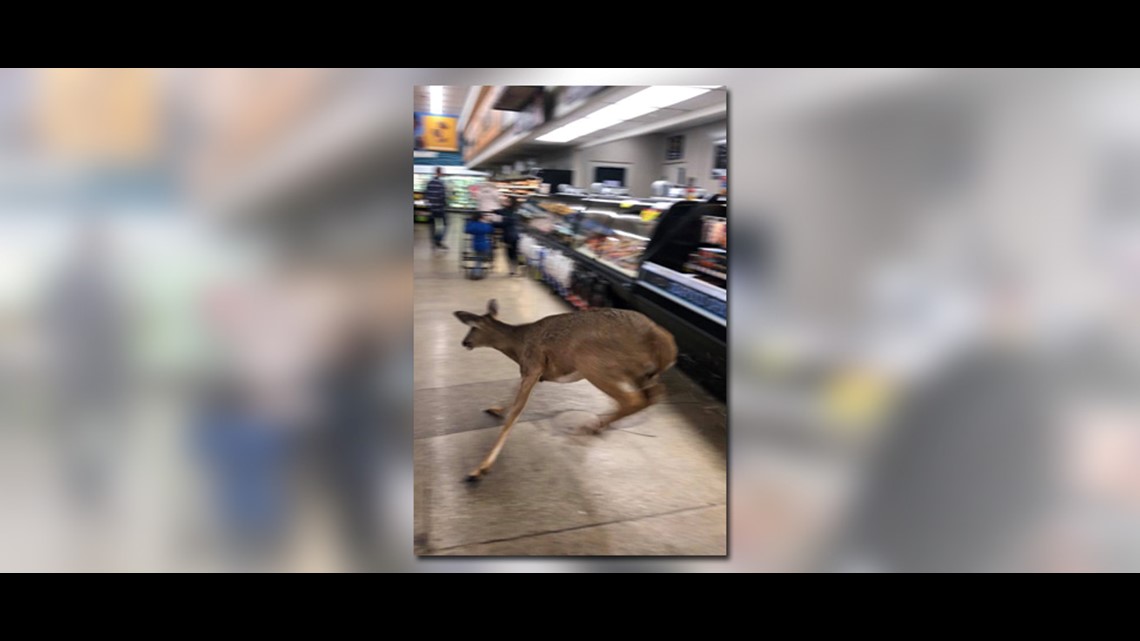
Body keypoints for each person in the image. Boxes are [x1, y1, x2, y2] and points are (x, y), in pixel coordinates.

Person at [495, 196, 521, 276]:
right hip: (516, 234)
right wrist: (492, 211)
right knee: (513, 252)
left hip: (510, 235)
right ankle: (513, 269)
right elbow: (500, 211)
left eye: (506, 201)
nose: (504, 202)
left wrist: (491, 223)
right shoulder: (514, 211)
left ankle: (513, 270)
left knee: (510, 253)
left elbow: (503, 224)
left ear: (510, 203)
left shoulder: (509, 213)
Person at [465, 211, 495, 279]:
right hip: (484, 245)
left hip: (475, 245)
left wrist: (469, 221)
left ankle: (476, 271)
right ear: (481, 217)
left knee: (478, 258)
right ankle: (476, 273)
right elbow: (491, 229)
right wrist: (488, 221)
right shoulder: (484, 225)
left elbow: (466, 229)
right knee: (479, 259)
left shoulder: (473, 225)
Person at [426, 167, 448, 250]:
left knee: (433, 226)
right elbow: (443, 197)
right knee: (443, 225)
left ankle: (433, 243)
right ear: (440, 172)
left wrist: (430, 204)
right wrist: (444, 204)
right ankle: (438, 241)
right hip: (439, 209)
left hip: (432, 209)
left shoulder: (430, 182)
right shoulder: (441, 183)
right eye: (442, 172)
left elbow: (426, 195)